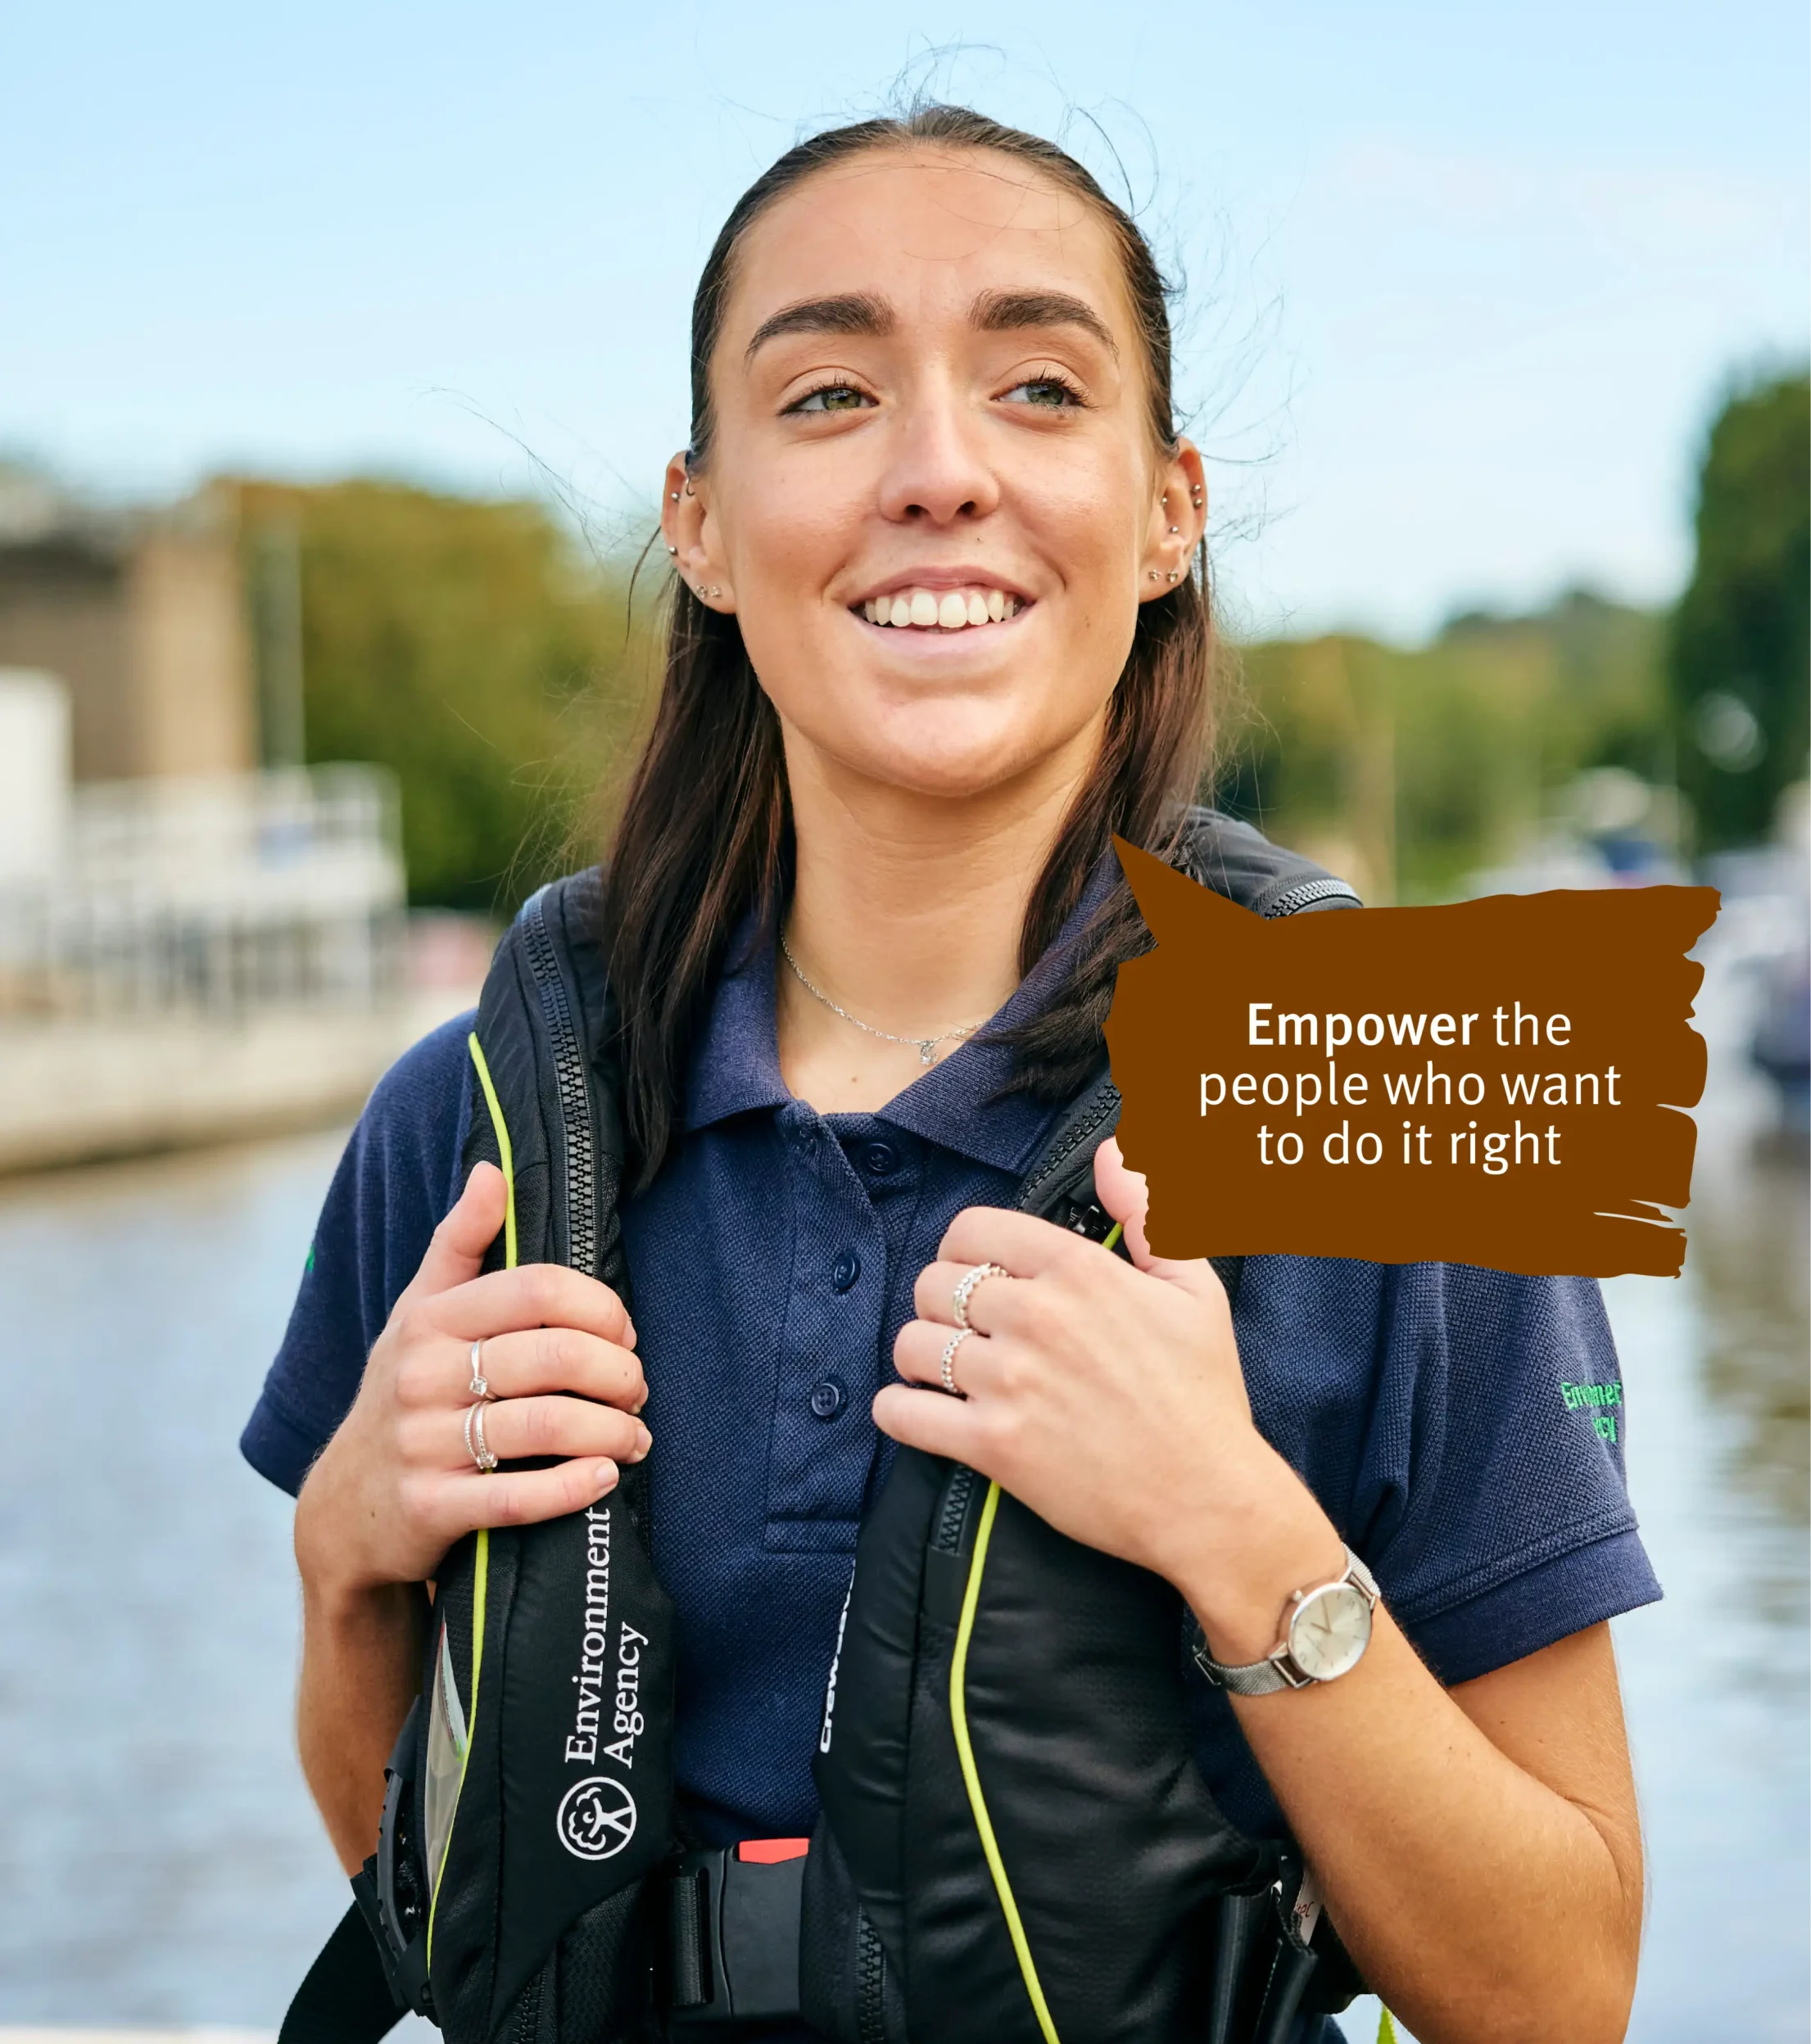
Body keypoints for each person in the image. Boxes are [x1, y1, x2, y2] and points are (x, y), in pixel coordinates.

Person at [243, 106, 1656, 2044]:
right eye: (826, 393)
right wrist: (344, 1559)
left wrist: (1230, 1524)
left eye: (1037, 385)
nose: (937, 471)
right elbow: (415, 1878)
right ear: (702, 522)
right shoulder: (467, 1133)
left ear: (1166, 509)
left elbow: (1563, 1991)